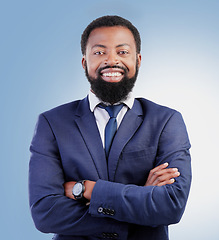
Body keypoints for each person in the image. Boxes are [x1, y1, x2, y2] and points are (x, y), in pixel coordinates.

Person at [29, 15, 192, 240]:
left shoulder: (166, 121)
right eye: (99, 52)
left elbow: (171, 205)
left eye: (122, 52)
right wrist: (141, 201)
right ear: (85, 62)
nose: (111, 60)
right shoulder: (53, 123)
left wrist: (86, 189)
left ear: (138, 60)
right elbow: (45, 213)